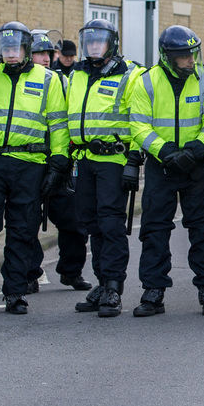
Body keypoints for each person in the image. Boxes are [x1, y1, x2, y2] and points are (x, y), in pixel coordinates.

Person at [0, 22, 69, 316]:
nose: (10, 54)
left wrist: (59, 161)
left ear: (26, 49)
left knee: (22, 232)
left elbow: (57, 123)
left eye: (16, 48)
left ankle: (16, 292)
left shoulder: (47, 79)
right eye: (5, 48)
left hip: (30, 163)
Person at [128, 25, 204, 317]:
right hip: (163, 166)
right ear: (168, 57)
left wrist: (197, 148)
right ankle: (153, 291)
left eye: (193, 54)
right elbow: (138, 125)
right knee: (154, 229)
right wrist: (165, 151)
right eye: (185, 57)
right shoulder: (146, 82)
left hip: (197, 165)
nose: (191, 61)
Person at [68, 20, 141, 317]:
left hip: (113, 159)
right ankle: (101, 281)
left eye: (100, 41)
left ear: (112, 44)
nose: (94, 46)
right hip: (83, 159)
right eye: (90, 41)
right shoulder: (77, 74)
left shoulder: (129, 74)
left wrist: (134, 160)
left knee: (111, 224)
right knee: (91, 223)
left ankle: (114, 287)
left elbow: (139, 118)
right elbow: (66, 117)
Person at [27, 32, 91, 294]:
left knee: (74, 221)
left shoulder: (63, 80)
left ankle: (71, 271)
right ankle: (29, 272)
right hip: (30, 159)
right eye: (39, 53)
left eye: (48, 54)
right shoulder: (20, 82)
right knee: (27, 220)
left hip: (61, 159)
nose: (45, 58)